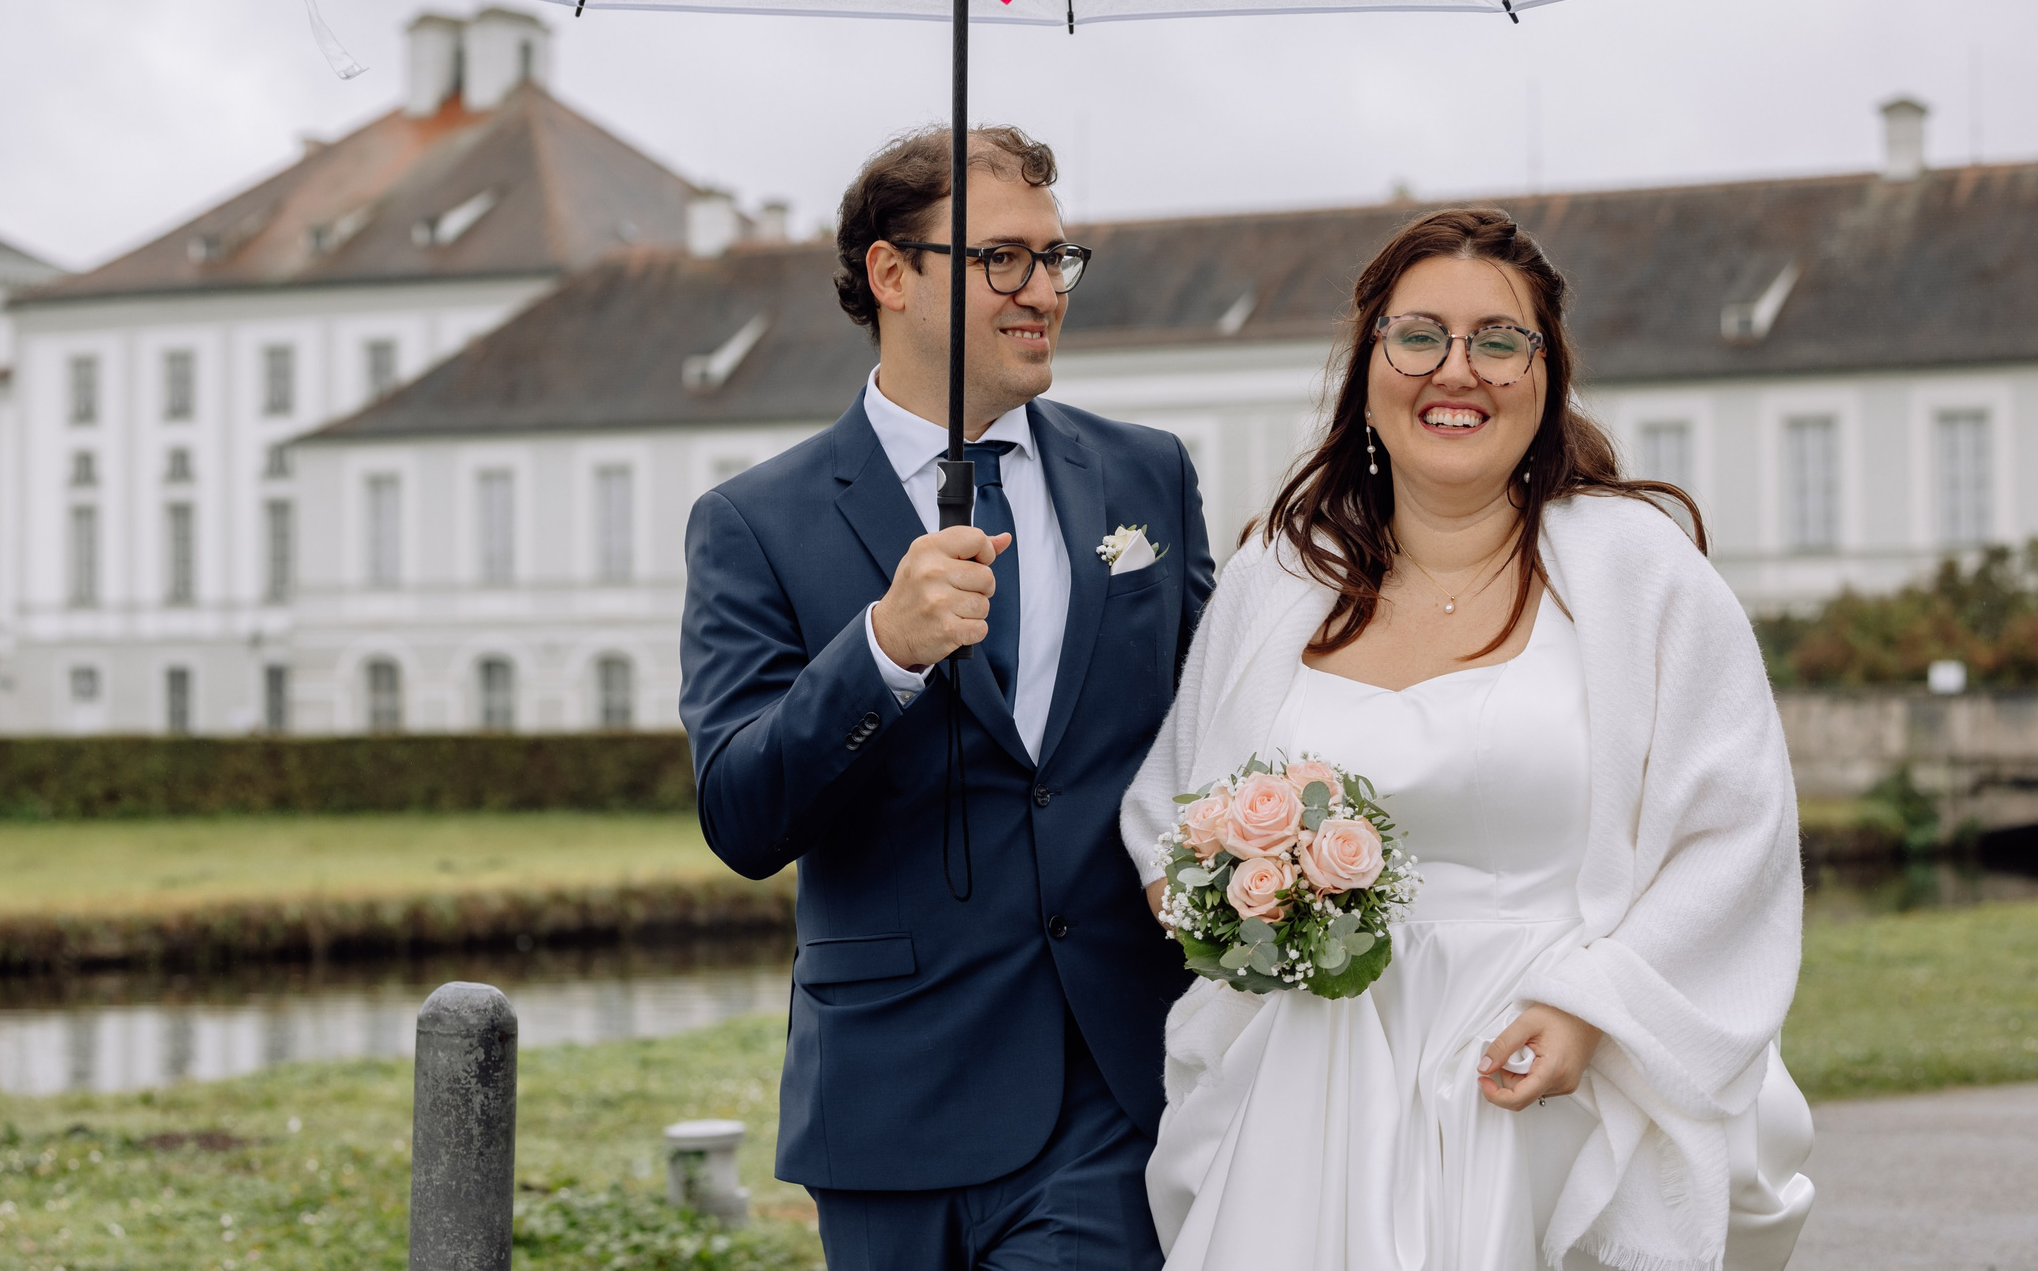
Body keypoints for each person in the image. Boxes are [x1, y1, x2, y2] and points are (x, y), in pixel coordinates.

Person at [1120, 207, 1814, 1271]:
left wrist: (1594, 1012)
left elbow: (1737, 830)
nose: (1459, 369)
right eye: (1418, 336)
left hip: (1550, 1071)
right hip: (1317, 1076)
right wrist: (1228, 901)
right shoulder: (1277, 579)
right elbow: (1174, 809)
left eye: (1499, 339)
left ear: (1545, 373)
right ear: (1368, 365)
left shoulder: (1640, 572)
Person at [681, 125, 1216, 1269]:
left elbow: (1224, 715)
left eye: (1056, 258)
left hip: (1110, 1085)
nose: (1042, 291)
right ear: (891, 273)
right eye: (1001, 261)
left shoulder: (1147, 475)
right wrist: (880, 649)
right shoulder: (754, 524)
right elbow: (741, 814)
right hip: (885, 1097)